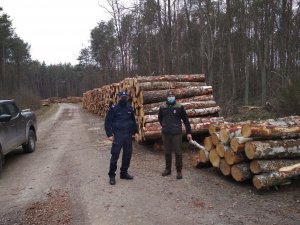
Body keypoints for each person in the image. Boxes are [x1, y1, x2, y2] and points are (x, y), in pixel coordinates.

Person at [104, 91, 139, 185]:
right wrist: (109, 134)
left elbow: (133, 121)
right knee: (115, 155)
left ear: (127, 97)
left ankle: (124, 173)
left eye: (125, 96)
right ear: (118, 97)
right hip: (118, 135)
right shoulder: (114, 108)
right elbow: (107, 122)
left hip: (128, 135)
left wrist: (135, 132)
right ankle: (112, 175)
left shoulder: (130, 108)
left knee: (127, 155)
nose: (123, 98)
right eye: (121, 96)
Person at [158, 90, 192, 179]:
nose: (171, 97)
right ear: (167, 97)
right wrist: (165, 126)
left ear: (175, 97)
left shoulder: (179, 107)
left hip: (177, 133)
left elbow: (186, 120)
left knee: (178, 152)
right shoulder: (162, 107)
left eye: (172, 96)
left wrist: (189, 132)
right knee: (167, 152)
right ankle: (168, 169)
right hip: (166, 133)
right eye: (169, 96)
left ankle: (179, 171)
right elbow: (160, 119)